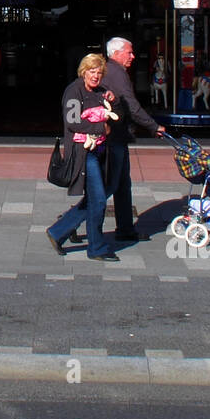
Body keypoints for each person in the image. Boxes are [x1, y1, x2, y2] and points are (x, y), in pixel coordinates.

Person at [47, 53, 118, 261]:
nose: (95, 76)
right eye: (91, 72)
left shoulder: (100, 91)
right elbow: (72, 122)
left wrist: (115, 100)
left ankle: (59, 230)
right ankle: (96, 248)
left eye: (99, 73)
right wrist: (101, 128)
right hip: (83, 153)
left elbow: (113, 112)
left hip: (99, 150)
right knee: (98, 198)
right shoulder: (73, 91)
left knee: (98, 196)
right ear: (83, 72)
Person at [101, 37, 165, 242]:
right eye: (129, 52)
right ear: (116, 53)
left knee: (121, 185)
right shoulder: (117, 74)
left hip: (119, 135)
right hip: (115, 137)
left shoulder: (115, 71)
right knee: (110, 186)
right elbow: (132, 106)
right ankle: (65, 225)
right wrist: (153, 126)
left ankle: (126, 229)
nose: (133, 56)